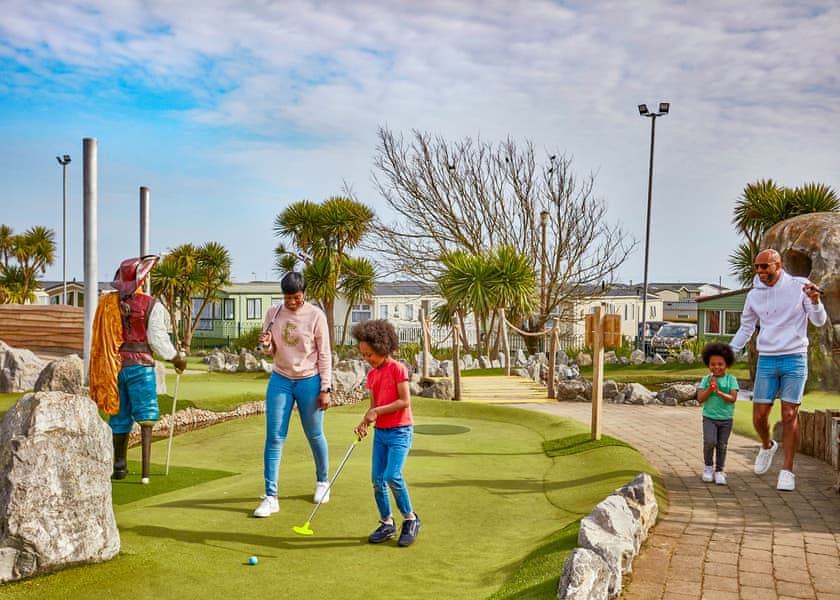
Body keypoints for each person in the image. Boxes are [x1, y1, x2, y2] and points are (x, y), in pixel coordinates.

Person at [729, 248, 826, 491]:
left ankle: (787, 471)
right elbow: (746, 328)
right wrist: (729, 351)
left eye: (765, 267)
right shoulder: (753, 296)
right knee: (759, 416)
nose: (760, 272)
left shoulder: (800, 286)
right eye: (757, 267)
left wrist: (815, 302)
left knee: (789, 414)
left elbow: (819, 321)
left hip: (795, 357)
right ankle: (766, 445)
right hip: (768, 360)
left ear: (778, 265)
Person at [90, 255, 186, 484]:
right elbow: (157, 340)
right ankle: (144, 471)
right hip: (141, 366)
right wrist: (176, 358)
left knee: (119, 415)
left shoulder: (108, 303)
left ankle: (119, 466)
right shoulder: (151, 304)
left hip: (116, 366)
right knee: (146, 414)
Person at [254, 271, 332, 517]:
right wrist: (265, 344)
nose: (292, 302)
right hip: (281, 379)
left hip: (309, 380)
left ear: (304, 294)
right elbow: (269, 350)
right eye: (288, 298)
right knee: (274, 437)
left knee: (314, 433)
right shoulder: (273, 313)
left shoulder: (316, 315)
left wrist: (325, 387)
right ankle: (270, 497)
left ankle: (322, 481)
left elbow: (324, 354)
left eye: (296, 298)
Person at [351, 319, 421, 547]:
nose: (366, 359)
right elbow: (374, 407)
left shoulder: (397, 369)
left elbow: (404, 401)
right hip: (381, 433)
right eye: (363, 355)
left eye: (369, 354)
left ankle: (410, 519)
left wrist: (376, 411)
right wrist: (365, 423)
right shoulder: (372, 376)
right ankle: (387, 523)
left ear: (383, 347)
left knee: (392, 476)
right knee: (377, 479)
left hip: (400, 431)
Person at [696, 343, 738, 485]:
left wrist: (718, 392)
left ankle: (719, 471)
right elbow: (700, 399)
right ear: (708, 365)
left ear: (727, 364)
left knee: (722, 445)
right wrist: (710, 387)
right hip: (709, 418)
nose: (716, 367)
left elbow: (733, 399)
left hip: (726, 419)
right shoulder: (706, 379)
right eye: (713, 364)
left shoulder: (731, 380)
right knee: (709, 442)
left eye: (720, 364)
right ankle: (708, 467)